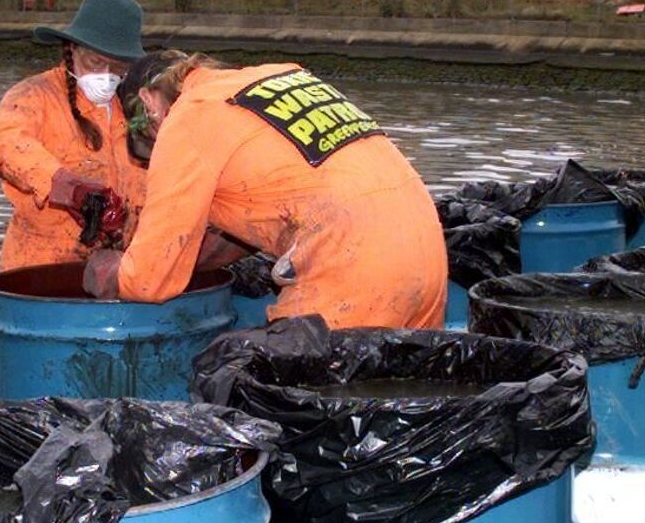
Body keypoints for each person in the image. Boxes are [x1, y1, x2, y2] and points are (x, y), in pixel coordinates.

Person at [83, 51, 448, 330]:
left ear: (149, 103)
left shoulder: (188, 117)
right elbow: (258, 221)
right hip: (427, 259)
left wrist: (109, 269)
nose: (157, 145)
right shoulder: (279, 77)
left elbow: (147, 283)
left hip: (355, 273)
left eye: (151, 137)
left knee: (281, 410)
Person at [0, 0, 148, 270]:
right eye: (95, 62)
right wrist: (70, 188)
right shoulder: (34, 95)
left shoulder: (138, 111)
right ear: (72, 49)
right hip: (39, 271)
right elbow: (0, 145)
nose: (106, 74)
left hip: (117, 270)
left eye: (118, 67)